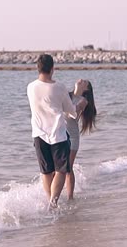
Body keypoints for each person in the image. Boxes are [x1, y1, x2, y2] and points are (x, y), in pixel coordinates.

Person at [27, 54, 87, 208]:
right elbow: (71, 112)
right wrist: (80, 105)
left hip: (38, 134)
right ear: (52, 69)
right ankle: (53, 202)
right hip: (58, 135)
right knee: (61, 170)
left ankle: (51, 203)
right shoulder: (59, 87)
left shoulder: (30, 87)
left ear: (38, 68)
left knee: (46, 172)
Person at [65, 80, 97, 200]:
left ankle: (70, 197)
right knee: (58, 168)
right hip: (60, 135)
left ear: (86, 90)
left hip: (72, 137)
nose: (80, 80)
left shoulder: (83, 101)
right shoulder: (67, 95)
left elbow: (72, 115)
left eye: (84, 82)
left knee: (68, 168)